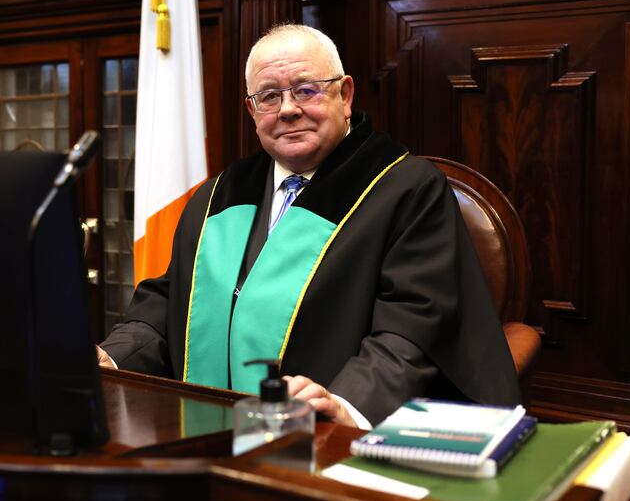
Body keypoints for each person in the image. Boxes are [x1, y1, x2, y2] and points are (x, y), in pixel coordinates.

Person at [98, 24, 519, 427]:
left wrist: (346, 403)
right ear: (252, 109)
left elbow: (414, 325)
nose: (288, 109)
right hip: (207, 437)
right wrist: (113, 356)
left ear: (345, 94)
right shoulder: (218, 197)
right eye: (268, 96)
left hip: (328, 444)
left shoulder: (406, 190)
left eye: (306, 90)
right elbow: (172, 301)